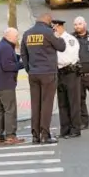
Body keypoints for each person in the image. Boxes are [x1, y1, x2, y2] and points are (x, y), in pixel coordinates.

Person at [21, 13, 66, 144]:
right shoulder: (48, 32)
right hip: (48, 72)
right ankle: (45, 134)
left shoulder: (27, 34)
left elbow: (23, 53)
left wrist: (29, 69)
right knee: (47, 104)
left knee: (35, 104)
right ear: (47, 20)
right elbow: (61, 47)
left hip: (33, 73)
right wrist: (58, 35)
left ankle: (35, 135)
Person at [0, 28, 25, 144]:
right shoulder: (6, 47)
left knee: (0, 109)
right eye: (16, 37)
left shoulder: (3, 45)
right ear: (9, 36)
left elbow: (7, 60)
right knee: (10, 109)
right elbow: (8, 66)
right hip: (5, 84)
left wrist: (17, 56)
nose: (17, 39)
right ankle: (10, 135)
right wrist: (23, 64)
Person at [53, 19, 82, 139]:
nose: (53, 31)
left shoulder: (69, 39)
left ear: (59, 27)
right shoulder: (54, 40)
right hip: (59, 73)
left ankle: (75, 129)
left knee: (73, 102)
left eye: (54, 28)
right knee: (62, 103)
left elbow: (68, 57)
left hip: (70, 72)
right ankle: (64, 129)